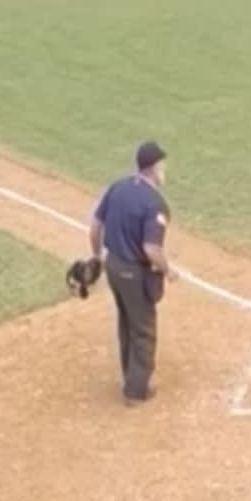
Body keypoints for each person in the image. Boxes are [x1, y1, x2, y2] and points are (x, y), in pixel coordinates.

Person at [89, 142, 172, 405]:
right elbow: (151, 248)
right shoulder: (156, 203)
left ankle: (130, 375)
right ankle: (136, 391)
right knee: (144, 328)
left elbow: (95, 225)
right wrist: (167, 269)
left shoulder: (118, 187)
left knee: (127, 320)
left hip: (113, 265)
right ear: (154, 167)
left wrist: (97, 256)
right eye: (162, 164)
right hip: (134, 273)